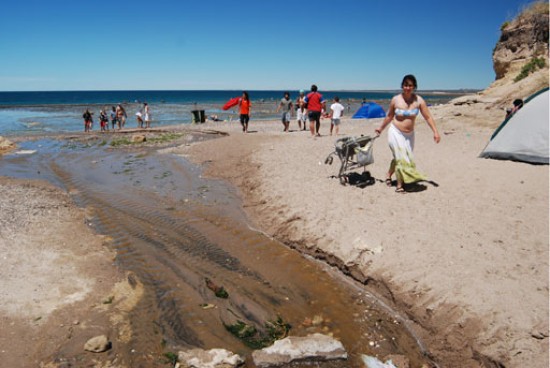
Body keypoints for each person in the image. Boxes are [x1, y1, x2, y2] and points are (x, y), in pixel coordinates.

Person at [374, 74, 441, 193]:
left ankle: (388, 174)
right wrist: (380, 128)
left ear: (414, 87)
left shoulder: (419, 100)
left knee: (401, 157)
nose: (407, 88)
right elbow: (389, 116)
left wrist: (435, 132)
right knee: (401, 158)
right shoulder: (396, 99)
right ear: (402, 86)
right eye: (405, 85)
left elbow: (428, 117)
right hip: (395, 132)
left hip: (409, 135)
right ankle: (400, 185)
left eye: (410, 85)